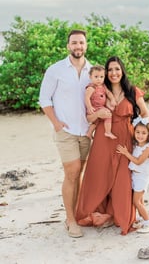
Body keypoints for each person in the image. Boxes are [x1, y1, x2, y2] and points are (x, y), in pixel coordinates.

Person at [76, 56, 149, 235]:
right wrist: (98, 114)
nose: (113, 73)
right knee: (99, 173)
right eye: (110, 70)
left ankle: (121, 215)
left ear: (122, 70)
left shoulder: (132, 91)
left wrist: (142, 137)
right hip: (104, 136)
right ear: (105, 73)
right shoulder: (99, 89)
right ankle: (96, 211)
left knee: (123, 177)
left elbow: (145, 114)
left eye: (117, 69)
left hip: (125, 136)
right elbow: (89, 117)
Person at [39, 29, 93, 238]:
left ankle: (76, 214)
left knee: (80, 173)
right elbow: (44, 99)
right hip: (66, 132)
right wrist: (56, 123)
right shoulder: (56, 70)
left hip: (87, 132)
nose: (78, 46)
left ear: (86, 45)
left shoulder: (93, 70)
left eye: (81, 43)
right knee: (71, 173)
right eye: (74, 43)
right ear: (68, 46)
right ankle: (71, 220)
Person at [116, 116, 149, 233]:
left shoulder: (148, 147)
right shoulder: (137, 144)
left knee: (136, 202)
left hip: (142, 177)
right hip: (136, 175)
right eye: (138, 132)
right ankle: (142, 219)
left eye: (143, 133)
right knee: (140, 201)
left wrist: (126, 153)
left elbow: (139, 161)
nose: (140, 135)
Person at [85, 64, 117, 139]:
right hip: (94, 107)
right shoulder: (91, 87)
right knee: (108, 115)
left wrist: (112, 99)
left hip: (100, 107)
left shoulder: (103, 86)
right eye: (96, 77)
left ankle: (89, 133)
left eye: (101, 77)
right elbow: (86, 98)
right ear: (90, 77)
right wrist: (89, 107)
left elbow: (108, 93)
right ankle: (108, 132)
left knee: (96, 122)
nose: (99, 79)